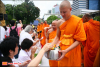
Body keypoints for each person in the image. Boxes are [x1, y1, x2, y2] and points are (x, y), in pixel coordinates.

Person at [50, 0, 86, 66]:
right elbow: (57, 37)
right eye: (61, 12)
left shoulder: (77, 21)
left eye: (64, 12)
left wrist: (66, 51)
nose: (62, 14)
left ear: (70, 9)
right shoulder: (59, 22)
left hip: (73, 51)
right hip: (61, 51)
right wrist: (51, 46)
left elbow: (80, 40)